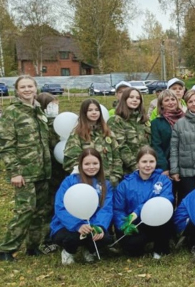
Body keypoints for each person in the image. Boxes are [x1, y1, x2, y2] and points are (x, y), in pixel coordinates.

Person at [0, 76, 52, 261]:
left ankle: (33, 246)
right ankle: (6, 249)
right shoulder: (11, 113)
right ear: (17, 90)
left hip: (43, 171)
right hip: (24, 173)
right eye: (23, 87)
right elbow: (6, 145)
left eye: (30, 86)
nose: (27, 89)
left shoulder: (38, 110)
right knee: (25, 210)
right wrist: (15, 172)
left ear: (36, 88)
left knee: (40, 211)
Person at [50, 148, 113, 265]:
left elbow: (106, 209)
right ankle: (68, 251)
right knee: (73, 237)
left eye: (95, 163)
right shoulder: (69, 182)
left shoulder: (105, 184)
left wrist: (99, 226)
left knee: (105, 238)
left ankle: (89, 250)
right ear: (80, 165)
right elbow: (60, 207)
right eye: (87, 164)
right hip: (67, 225)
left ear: (100, 164)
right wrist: (77, 225)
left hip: (92, 223)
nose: (91, 167)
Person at [113, 147, 173, 259]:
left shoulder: (163, 181)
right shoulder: (125, 184)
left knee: (167, 216)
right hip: (135, 224)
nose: (148, 165)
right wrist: (123, 225)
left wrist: (137, 211)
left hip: (155, 221)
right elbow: (118, 209)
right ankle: (140, 245)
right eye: (144, 161)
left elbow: (164, 201)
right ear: (137, 164)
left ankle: (160, 249)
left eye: (151, 161)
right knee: (133, 246)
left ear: (156, 163)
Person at [64, 99, 123, 188]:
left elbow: (117, 157)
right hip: (87, 182)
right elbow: (71, 161)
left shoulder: (107, 132)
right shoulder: (77, 134)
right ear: (84, 113)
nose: (94, 112)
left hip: (109, 182)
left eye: (96, 110)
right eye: (90, 110)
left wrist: (115, 177)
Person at [36, 92, 64, 253]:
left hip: (61, 171)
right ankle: (45, 240)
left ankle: (55, 236)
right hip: (48, 171)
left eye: (56, 104)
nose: (55, 107)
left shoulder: (59, 122)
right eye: (52, 104)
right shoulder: (43, 126)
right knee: (48, 206)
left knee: (58, 204)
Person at [109, 87, 151, 174]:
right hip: (126, 171)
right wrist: (136, 167)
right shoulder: (116, 121)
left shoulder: (144, 120)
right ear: (124, 99)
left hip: (147, 167)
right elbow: (121, 146)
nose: (135, 100)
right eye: (131, 97)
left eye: (137, 98)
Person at [150, 89, 184, 174]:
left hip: (186, 164)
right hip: (168, 165)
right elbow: (156, 147)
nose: (171, 102)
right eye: (167, 100)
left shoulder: (186, 119)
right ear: (161, 104)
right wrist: (163, 168)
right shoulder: (156, 123)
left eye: (173, 99)